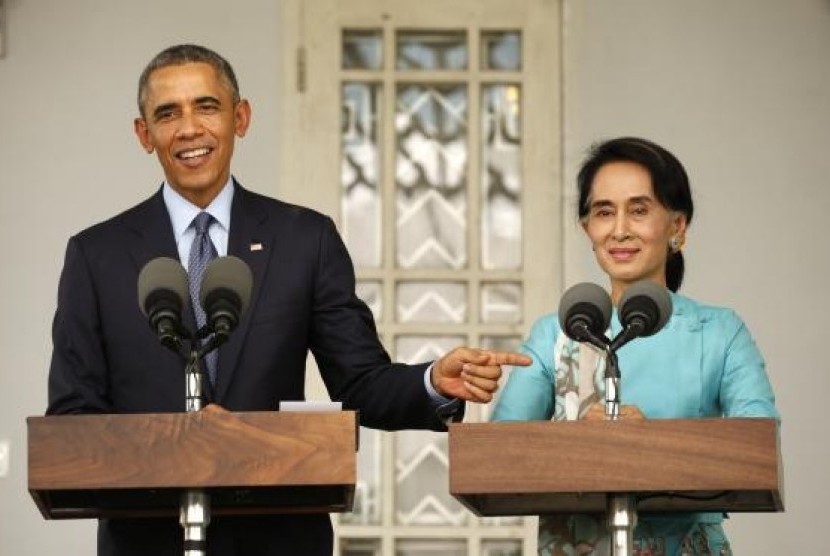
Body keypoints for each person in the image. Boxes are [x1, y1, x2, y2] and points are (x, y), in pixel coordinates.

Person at [46, 44, 531, 556]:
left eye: (206, 107)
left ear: (241, 117)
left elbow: (360, 381)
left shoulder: (303, 239)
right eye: (168, 114)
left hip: (278, 536)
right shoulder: (96, 255)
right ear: (145, 134)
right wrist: (179, 440)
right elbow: (76, 417)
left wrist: (431, 380)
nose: (189, 128)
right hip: (145, 540)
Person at [491, 137, 778, 555]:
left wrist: (649, 446)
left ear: (677, 227)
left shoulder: (718, 332)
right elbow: (500, 457)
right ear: (587, 228)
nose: (620, 229)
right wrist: (577, 445)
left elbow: (757, 447)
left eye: (639, 210)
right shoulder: (556, 334)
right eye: (604, 212)